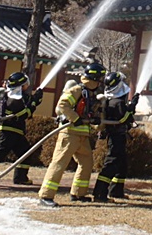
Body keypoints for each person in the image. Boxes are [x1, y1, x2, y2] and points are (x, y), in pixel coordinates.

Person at [38, 62, 105, 207]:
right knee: (59, 163)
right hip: (69, 134)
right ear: (94, 78)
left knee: (87, 163)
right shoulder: (76, 90)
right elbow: (62, 105)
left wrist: (97, 122)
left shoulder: (91, 94)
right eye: (100, 79)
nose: (101, 82)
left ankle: (78, 193)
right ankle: (46, 195)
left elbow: (90, 114)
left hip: (82, 136)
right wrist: (75, 118)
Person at [0, 72, 44, 185]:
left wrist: (35, 99)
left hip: (16, 131)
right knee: (0, 154)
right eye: (25, 84)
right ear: (20, 86)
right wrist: (34, 102)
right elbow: (24, 114)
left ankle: (21, 177)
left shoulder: (15, 96)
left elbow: (26, 106)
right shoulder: (14, 99)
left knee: (25, 152)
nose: (27, 86)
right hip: (9, 131)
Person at [92, 71, 139, 202]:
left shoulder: (111, 100)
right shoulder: (117, 102)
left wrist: (129, 107)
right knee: (111, 163)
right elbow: (123, 119)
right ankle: (99, 193)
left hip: (117, 135)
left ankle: (116, 191)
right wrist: (132, 107)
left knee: (121, 164)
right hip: (116, 137)